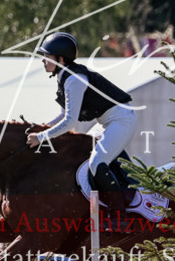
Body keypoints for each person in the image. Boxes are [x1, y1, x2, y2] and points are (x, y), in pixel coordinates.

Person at [25, 32, 137, 224]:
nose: (43, 60)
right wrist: (43, 127)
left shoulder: (74, 79)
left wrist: (41, 137)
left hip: (121, 119)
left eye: (47, 56)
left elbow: (70, 122)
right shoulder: (64, 76)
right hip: (106, 122)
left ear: (60, 59)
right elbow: (63, 115)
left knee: (96, 163)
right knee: (86, 152)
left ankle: (119, 215)